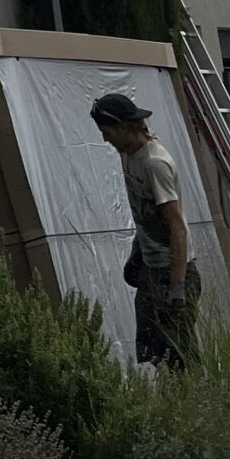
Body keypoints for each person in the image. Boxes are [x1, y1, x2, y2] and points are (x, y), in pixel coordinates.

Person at [91, 91, 200, 368]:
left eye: (107, 133)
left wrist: (177, 286)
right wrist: (137, 251)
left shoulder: (155, 164)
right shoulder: (128, 154)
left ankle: (196, 393)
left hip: (172, 270)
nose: (105, 139)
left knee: (180, 354)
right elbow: (145, 212)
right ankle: (170, 394)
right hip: (151, 268)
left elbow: (176, 225)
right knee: (154, 351)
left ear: (124, 127)